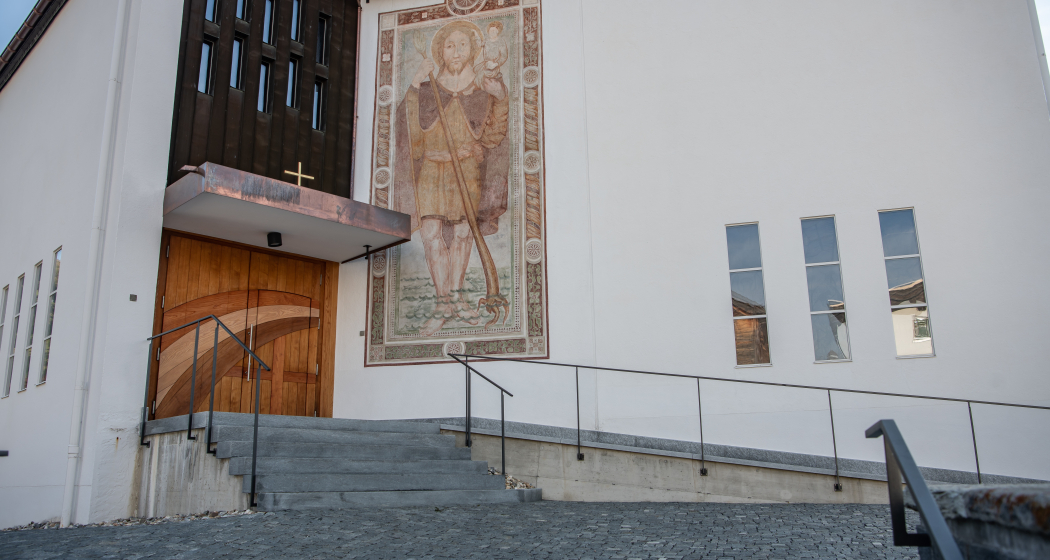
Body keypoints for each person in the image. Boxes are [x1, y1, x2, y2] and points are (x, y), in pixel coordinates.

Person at [391, 21, 510, 336]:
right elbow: (408, 134)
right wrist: (415, 87)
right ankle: (442, 303)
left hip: (466, 169)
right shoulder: (427, 89)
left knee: (461, 233)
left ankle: (456, 299)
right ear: (439, 51)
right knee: (431, 233)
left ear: (472, 50)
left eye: (462, 45)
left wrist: (501, 99)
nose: (456, 51)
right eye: (449, 45)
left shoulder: (481, 90)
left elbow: (496, 133)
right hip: (432, 168)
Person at [473, 21, 509, 90]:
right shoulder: (486, 41)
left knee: (487, 79)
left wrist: (496, 63)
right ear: (488, 31)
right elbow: (479, 45)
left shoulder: (501, 42)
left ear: (498, 32)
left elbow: (504, 56)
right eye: (491, 30)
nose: (492, 32)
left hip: (494, 66)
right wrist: (476, 34)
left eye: (494, 31)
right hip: (485, 64)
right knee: (477, 77)